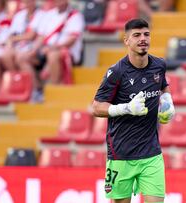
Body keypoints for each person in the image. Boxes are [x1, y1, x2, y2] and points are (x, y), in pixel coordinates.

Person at [92, 19, 175, 203]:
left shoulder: (159, 65)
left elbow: (163, 86)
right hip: (121, 155)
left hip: (151, 154)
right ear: (126, 40)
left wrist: (167, 101)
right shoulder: (116, 73)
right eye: (136, 35)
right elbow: (97, 107)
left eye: (146, 34)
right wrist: (126, 108)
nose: (142, 39)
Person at [17, 0, 85, 102]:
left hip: (65, 52)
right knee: (22, 57)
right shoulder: (49, 15)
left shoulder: (75, 15)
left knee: (53, 55)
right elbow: (41, 36)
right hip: (46, 50)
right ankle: (38, 89)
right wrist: (34, 50)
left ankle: (55, 89)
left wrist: (52, 48)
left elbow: (71, 40)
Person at [0, 0, 45, 71]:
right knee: (6, 56)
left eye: (30, 1)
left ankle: (31, 82)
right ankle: (16, 78)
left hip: (34, 49)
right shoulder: (19, 15)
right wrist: (9, 46)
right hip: (19, 47)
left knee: (20, 58)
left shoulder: (41, 14)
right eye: (25, 2)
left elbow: (31, 36)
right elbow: (11, 36)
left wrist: (15, 38)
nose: (28, 4)